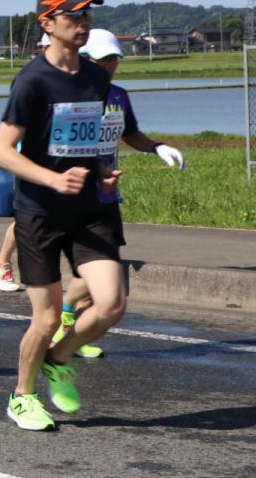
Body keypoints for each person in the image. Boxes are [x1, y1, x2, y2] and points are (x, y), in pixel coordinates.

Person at [0, 0, 125, 432]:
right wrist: (53, 178)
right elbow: (3, 152)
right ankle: (22, 396)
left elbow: (87, 138)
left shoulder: (96, 76)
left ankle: (58, 360)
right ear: (47, 24)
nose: (83, 23)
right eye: (73, 16)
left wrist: (101, 169)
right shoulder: (32, 80)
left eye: (87, 15)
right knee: (47, 317)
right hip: (40, 211)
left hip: (91, 207)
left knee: (110, 304)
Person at [49, 28, 185, 358]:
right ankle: (64, 326)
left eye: (113, 59)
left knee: (102, 273)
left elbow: (130, 133)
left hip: (106, 197)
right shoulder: (71, 96)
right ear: (84, 58)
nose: (109, 66)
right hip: (70, 196)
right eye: (101, 59)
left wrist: (157, 147)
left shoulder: (119, 96)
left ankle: (69, 325)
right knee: (98, 276)